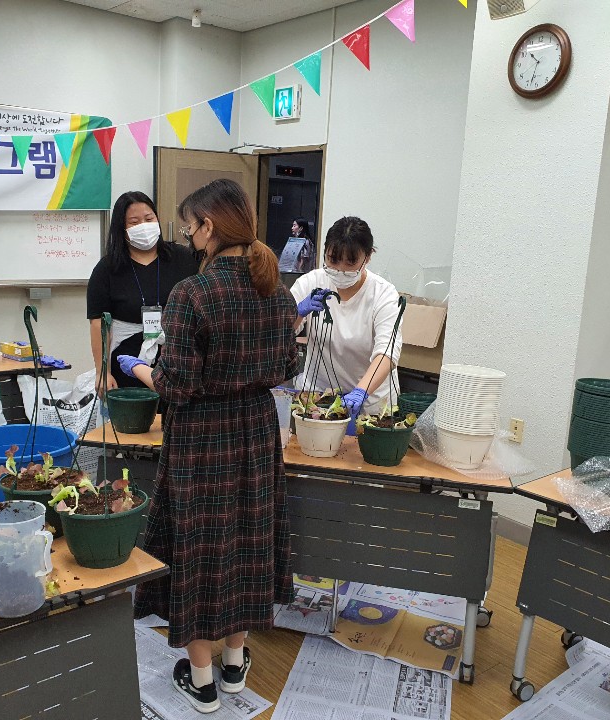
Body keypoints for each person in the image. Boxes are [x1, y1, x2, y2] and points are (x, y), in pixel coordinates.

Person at [118, 179, 302, 713]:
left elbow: (175, 385)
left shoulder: (192, 294)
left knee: (197, 549)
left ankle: (201, 681)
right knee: (247, 542)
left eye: (189, 227)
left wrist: (138, 368)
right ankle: (235, 664)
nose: (187, 237)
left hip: (201, 436)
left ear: (209, 226)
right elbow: (287, 367)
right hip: (257, 431)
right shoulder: (278, 292)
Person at [291, 216, 403, 430]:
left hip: (371, 405)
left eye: (350, 263)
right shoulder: (310, 283)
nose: (340, 269)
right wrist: (296, 313)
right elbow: (280, 333)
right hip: (319, 400)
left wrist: (361, 391)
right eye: (333, 260)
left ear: (368, 257)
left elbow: (387, 353)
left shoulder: (383, 294)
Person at [86, 191, 199, 393]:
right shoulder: (107, 268)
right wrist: (102, 372)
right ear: (121, 228)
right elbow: (99, 323)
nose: (144, 226)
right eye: (134, 222)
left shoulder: (183, 258)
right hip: (125, 365)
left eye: (149, 219)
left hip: (177, 361)